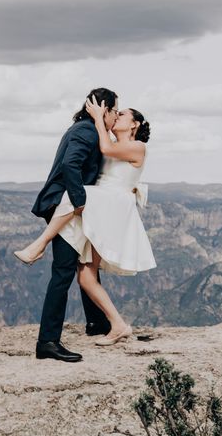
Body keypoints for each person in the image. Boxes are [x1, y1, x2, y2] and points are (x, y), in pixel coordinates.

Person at [16, 91, 155, 361]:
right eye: (115, 110)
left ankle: (39, 245)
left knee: (76, 265)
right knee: (82, 271)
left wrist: (98, 120)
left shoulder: (116, 140)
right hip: (92, 205)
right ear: (104, 110)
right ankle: (104, 324)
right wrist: (98, 120)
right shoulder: (91, 132)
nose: (117, 115)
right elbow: (79, 164)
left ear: (135, 123)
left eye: (122, 113)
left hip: (104, 204)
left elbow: (108, 156)